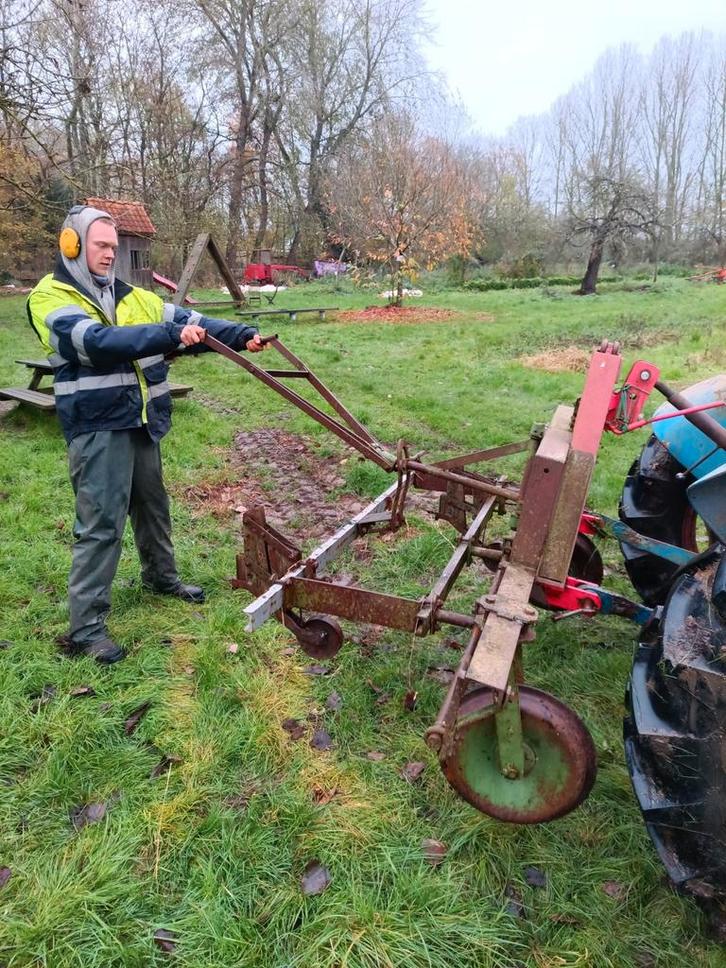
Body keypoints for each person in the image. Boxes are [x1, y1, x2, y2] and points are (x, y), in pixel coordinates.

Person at [27, 204, 263, 664]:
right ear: (71, 244)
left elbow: (191, 321)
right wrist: (167, 336)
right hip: (97, 427)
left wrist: (241, 334)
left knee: (152, 506)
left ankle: (161, 578)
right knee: (101, 525)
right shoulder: (51, 298)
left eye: (113, 247)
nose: (110, 254)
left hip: (141, 418)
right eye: (100, 245)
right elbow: (95, 345)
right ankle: (86, 628)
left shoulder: (134, 296)